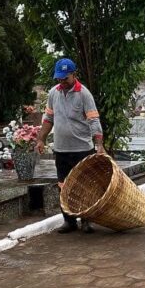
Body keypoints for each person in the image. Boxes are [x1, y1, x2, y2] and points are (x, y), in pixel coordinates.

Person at [36, 58, 106, 234]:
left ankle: (86, 221)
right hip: (61, 150)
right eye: (59, 78)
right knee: (63, 185)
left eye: (65, 78)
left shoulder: (84, 94)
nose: (61, 82)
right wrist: (40, 139)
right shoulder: (53, 93)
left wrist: (99, 145)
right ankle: (69, 220)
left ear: (74, 75)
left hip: (82, 149)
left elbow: (93, 120)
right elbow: (48, 119)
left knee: (85, 185)